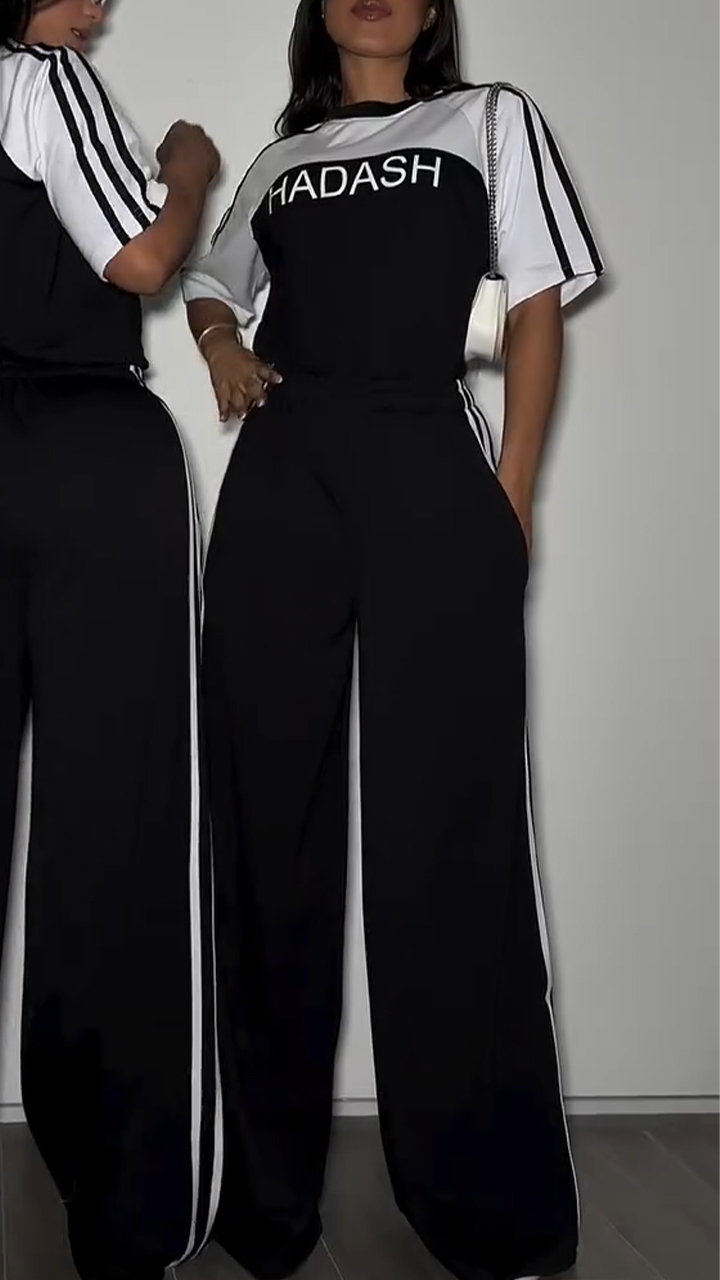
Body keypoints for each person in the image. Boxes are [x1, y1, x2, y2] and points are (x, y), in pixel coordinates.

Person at [184, 0, 603, 1277]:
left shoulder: (489, 121)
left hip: (429, 459)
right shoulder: (282, 156)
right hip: (282, 478)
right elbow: (211, 279)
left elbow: (535, 303)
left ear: (432, 11)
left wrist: (511, 492)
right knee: (263, 821)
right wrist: (222, 344)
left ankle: (488, 1205)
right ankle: (262, 1203)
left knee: (448, 825)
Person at [0, 2, 223, 1276]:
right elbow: (141, 258)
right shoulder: (45, 77)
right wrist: (186, 167)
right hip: (84, 450)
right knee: (122, 822)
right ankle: (129, 1206)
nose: (102, 5)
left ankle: (75, 1138)